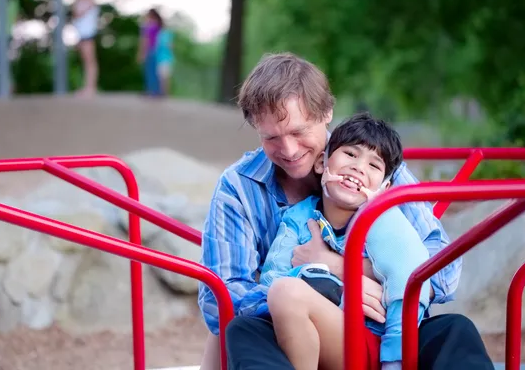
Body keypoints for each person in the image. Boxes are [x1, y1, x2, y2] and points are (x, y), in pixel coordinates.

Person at [197, 53, 494, 370]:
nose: (289, 150)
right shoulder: (239, 187)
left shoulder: (370, 163)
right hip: (298, 327)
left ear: (326, 113)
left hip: (379, 326)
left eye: (299, 132)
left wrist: (342, 268)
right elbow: (221, 299)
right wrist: (324, 288)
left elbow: (444, 270)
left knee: (454, 329)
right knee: (242, 331)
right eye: (271, 137)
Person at [258, 112, 432, 370]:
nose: (358, 167)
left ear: (384, 189)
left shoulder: (385, 223)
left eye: (374, 166)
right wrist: (338, 288)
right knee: (271, 302)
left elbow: (408, 286)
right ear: (322, 164)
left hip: (374, 341)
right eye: (350, 154)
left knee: (288, 292)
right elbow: (272, 280)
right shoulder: (298, 218)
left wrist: (394, 362)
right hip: (317, 336)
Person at [71, 0, 99, 97]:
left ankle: (91, 88)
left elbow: (77, 14)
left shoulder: (90, 2)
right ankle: (87, 87)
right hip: (82, 36)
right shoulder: (82, 2)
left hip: (88, 36)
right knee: (86, 62)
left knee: (90, 62)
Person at [138, 8, 164, 96]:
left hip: (150, 50)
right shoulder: (157, 26)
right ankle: (155, 91)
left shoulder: (148, 26)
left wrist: (142, 53)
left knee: (149, 71)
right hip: (155, 51)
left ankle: (150, 90)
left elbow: (145, 41)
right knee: (153, 71)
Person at [155, 26, 174, 97]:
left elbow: (171, 46)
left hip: (166, 59)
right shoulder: (160, 34)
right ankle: (162, 92)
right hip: (160, 58)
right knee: (161, 76)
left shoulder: (167, 34)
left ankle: (165, 93)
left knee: (165, 76)